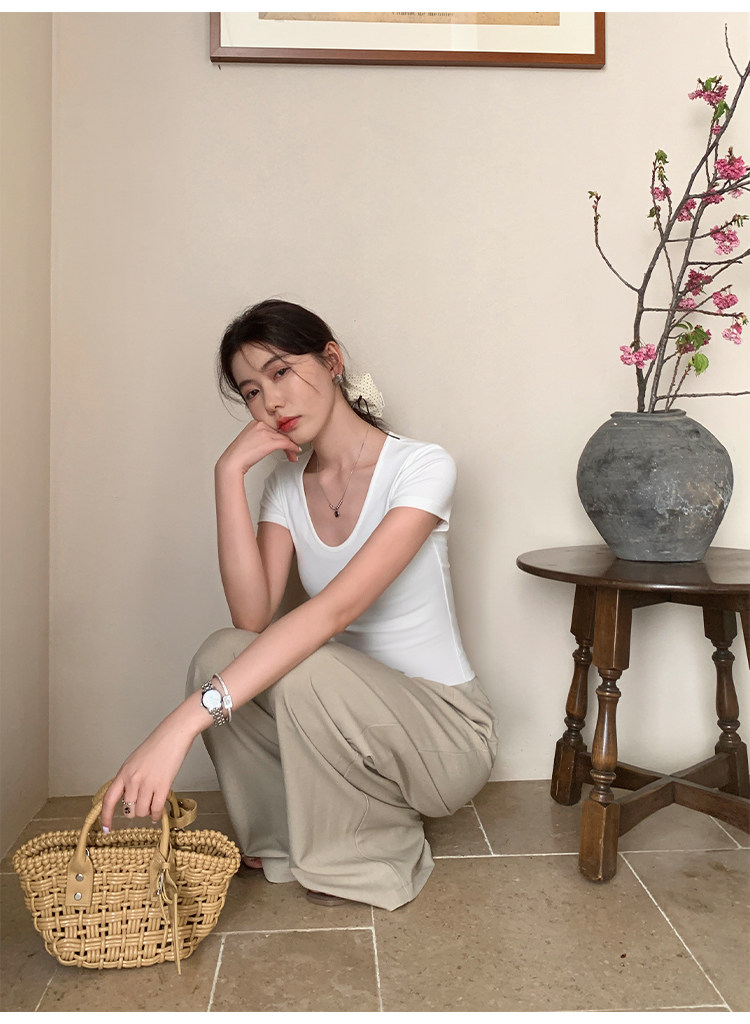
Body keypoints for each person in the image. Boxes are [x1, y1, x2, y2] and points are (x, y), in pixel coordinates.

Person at [101, 299, 497, 910]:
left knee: (309, 659)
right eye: (252, 392)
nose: (271, 402)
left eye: (281, 371)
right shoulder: (286, 487)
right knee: (221, 653)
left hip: (444, 736)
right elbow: (251, 619)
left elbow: (334, 612)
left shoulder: (421, 466)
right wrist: (228, 473)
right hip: (347, 720)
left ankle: (365, 851)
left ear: (332, 361)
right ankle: (282, 836)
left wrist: (179, 725)